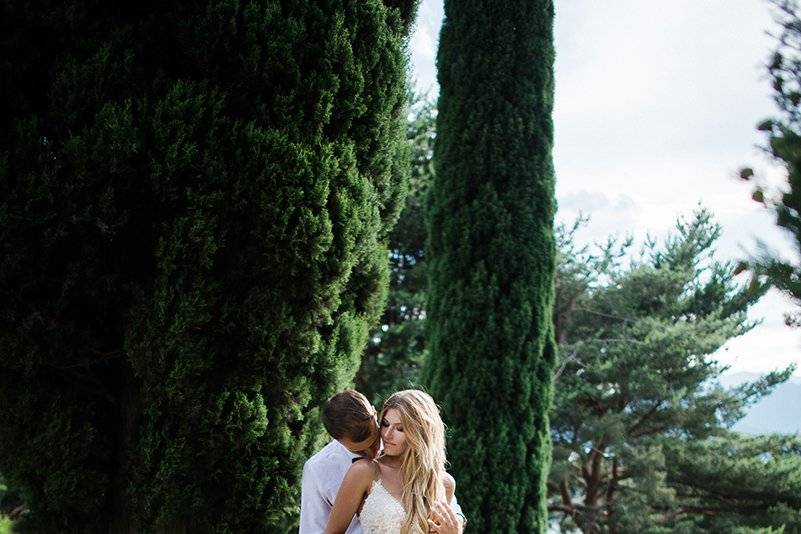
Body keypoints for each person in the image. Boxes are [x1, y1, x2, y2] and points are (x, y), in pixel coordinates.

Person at [323, 390, 462, 534]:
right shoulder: (364, 471)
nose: (387, 434)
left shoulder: (444, 484)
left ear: (421, 433)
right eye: (385, 424)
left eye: (400, 429)